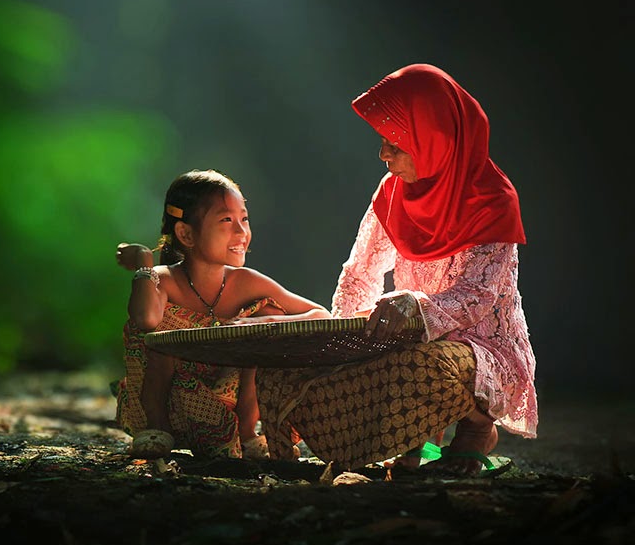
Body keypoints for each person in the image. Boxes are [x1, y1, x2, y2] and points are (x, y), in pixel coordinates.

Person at [255, 63, 537, 477]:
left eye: (396, 144)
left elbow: (478, 297)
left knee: (420, 368)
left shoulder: (491, 200)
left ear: (435, 141)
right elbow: (360, 275)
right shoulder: (391, 193)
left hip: (477, 346)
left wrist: (415, 306)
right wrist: (341, 342)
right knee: (312, 368)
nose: (383, 155)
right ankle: (415, 434)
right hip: (409, 338)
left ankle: (476, 427)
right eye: (383, 142)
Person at [115, 169, 331, 460]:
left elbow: (320, 315)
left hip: (226, 402)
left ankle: (246, 433)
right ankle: (156, 429)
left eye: (244, 219)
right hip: (176, 405)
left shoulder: (247, 282)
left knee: (265, 316)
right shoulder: (163, 280)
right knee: (164, 336)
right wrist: (144, 264)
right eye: (227, 220)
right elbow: (145, 319)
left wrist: (266, 323)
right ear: (186, 233)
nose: (242, 233)